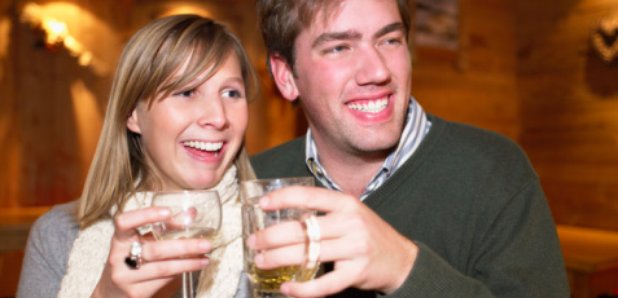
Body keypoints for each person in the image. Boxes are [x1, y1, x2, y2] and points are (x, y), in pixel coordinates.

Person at [249, 0, 570, 297]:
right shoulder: (254, 181)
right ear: (286, 76)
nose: (378, 71)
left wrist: (404, 268)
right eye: (339, 48)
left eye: (389, 40)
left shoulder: (496, 170)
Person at [17, 14, 258, 298]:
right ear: (133, 115)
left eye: (231, 92)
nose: (218, 117)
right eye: (187, 92)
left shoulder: (274, 232)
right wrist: (106, 294)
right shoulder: (58, 235)